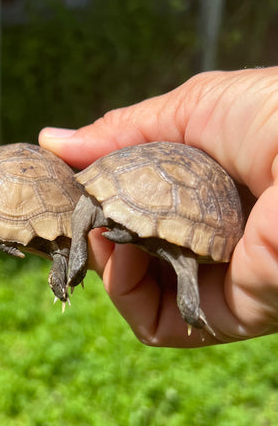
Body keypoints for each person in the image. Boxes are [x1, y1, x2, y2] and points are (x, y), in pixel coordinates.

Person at [40, 66, 278, 348]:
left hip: (134, 185)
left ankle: (185, 305)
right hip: (176, 207)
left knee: (178, 259)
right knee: (181, 259)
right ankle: (188, 306)